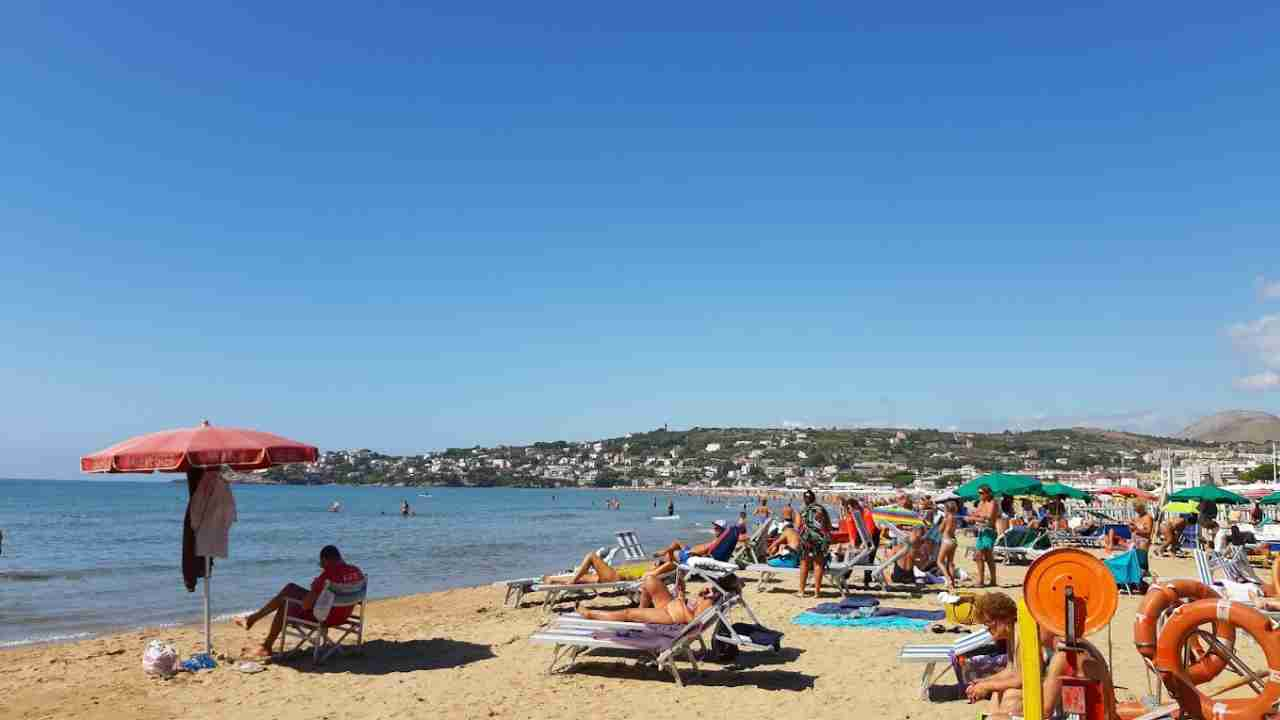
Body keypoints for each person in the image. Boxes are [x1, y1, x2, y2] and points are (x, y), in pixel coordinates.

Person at [235, 545, 364, 659]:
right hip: (343, 616)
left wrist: (316, 586)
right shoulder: (356, 571)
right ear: (339, 557)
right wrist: (316, 591)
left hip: (325, 618)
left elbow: (306, 605)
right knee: (290, 589)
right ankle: (252, 619)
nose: (321, 566)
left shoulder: (327, 576)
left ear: (325, 560)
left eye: (321, 563)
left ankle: (266, 644)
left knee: (285, 603)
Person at [578, 573, 735, 624]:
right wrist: (682, 591)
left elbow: (691, 620)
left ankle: (591, 614)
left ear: (718, 590)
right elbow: (692, 606)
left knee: (628, 613)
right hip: (671, 605)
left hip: (671, 616)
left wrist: (681, 599)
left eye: (713, 585)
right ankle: (641, 613)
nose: (709, 586)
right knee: (650, 580)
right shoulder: (712, 597)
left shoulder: (710, 605)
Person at [649, 519, 740, 576]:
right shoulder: (719, 542)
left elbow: (704, 554)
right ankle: (663, 556)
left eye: (717, 528)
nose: (714, 529)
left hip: (691, 557)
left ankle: (659, 565)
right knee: (676, 543)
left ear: (723, 530)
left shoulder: (716, 543)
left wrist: (692, 553)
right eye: (714, 527)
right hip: (692, 553)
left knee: (673, 552)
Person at [797, 490, 832, 597]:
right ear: (814, 498)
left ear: (804, 499)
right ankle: (817, 592)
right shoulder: (821, 509)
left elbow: (798, 526)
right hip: (819, 540)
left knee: (804, 564)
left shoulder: (802, 510)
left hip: (806, 540)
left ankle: (802, 591)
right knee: (818, 564)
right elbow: (828, 525)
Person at [974, 486, 999, 588]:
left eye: (981, 493)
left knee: (980, 555)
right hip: (981, 531)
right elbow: (977, 514)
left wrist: (975, 517)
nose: (979, 495)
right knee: (987, 557)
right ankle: (991, 580)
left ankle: (981, 581)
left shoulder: (993, 503)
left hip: (989, 531)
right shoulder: (981, 503)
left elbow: (988, 518)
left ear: (988, 493)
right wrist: (975, 516)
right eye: (979, 493)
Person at [939, 501, 959, 589]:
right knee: (950, 563)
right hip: (954, 540)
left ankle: (948, 579)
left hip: (946, 540)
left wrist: (942, 521)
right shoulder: (955, 518)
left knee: (940, 561)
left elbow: (940, 530)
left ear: (946, 509)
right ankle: (953, 583)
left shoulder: (946, 518)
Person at [1130, 501, 1153, 579]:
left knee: (1142, 560)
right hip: (1135, 540)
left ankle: (1145, 577)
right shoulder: (1136, 518)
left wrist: (1136, 529)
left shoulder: (1148, 517)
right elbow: (1132, 531)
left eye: (1136, 508)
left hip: (1143, 540)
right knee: (1136, 560)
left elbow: (1148, 532)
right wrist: (1131, 527)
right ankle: (1141, 578)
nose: (1135, 510)